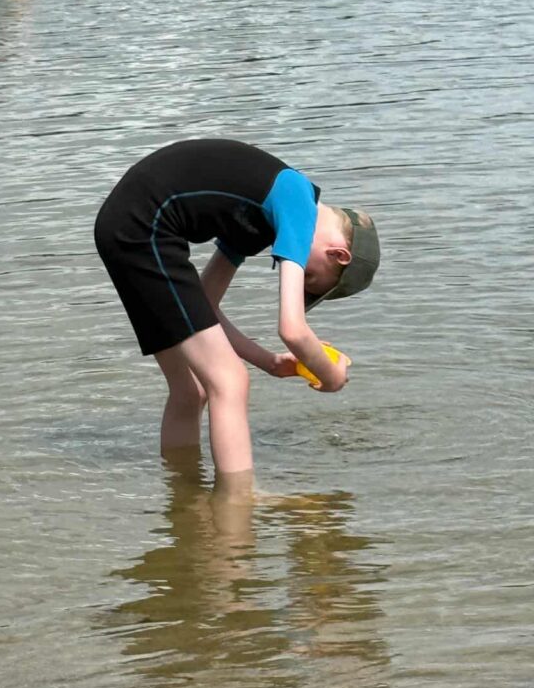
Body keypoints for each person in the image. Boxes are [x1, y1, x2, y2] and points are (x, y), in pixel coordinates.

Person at [94, 138, 380, 489]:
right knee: (229, 382)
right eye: (310, 276)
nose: (301, 274)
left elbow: (206, 302)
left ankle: (184, 495)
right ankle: (239, 505)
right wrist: (331, 376)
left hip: (124, 227)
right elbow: (292, 328)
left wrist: (271, 364)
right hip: (145, 228)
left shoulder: (262, 217)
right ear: (338, 255)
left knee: (192, 390)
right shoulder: (298, 202)